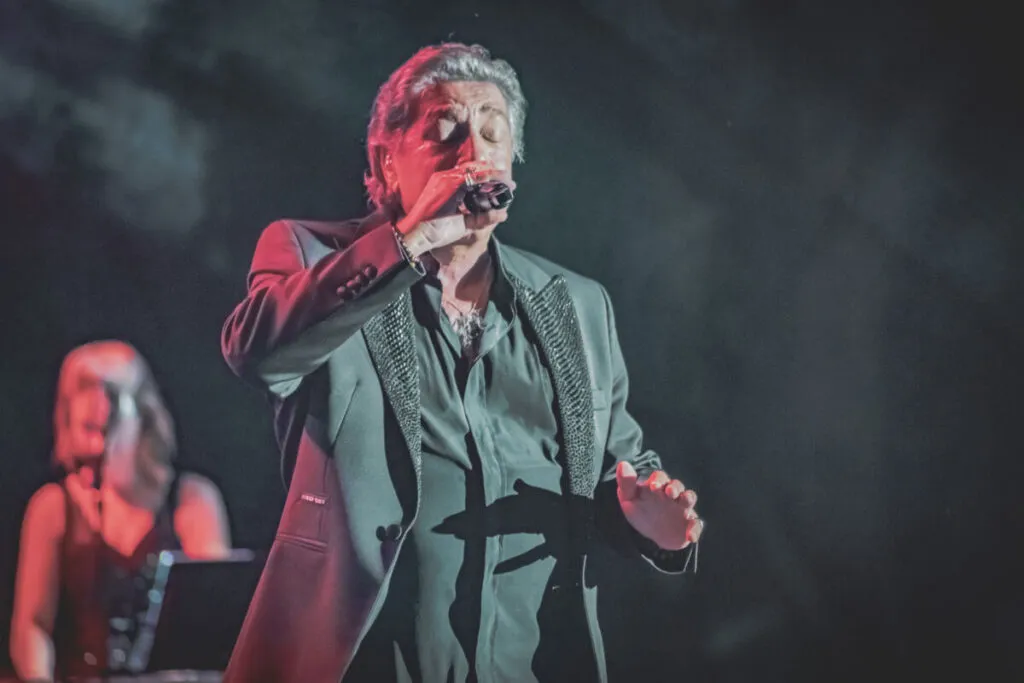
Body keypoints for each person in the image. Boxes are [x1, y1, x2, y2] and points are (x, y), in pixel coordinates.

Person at [220, 42, 705, 683]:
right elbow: (258, 355)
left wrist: (653, 525)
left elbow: (618, 472)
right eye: (445, 131)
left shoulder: (577, 304)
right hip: (364, 660)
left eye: (492, 133)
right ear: (386, 162)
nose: (473, 151)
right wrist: (413, 240)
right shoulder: (314, 257)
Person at [9, 340, 232, 682]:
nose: (96, 403)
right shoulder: (53, 506)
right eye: (81, 391)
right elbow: (32, 627)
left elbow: (212, 620)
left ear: (143, 413)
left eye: (111, 393)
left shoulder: (191, 499)